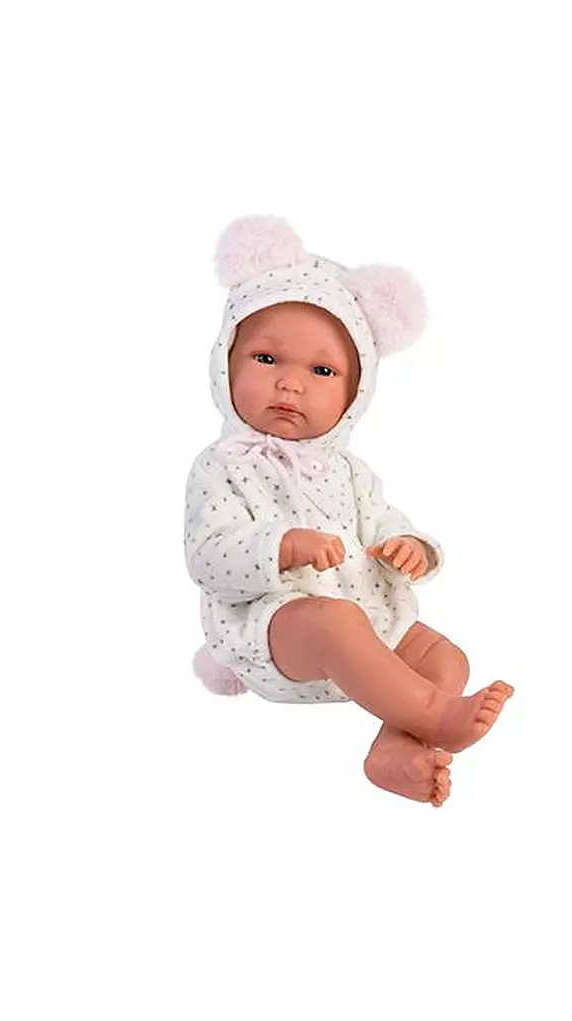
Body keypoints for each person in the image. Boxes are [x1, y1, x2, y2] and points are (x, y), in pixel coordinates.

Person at [184, 215, 514, 807]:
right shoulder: (221, 466)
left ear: (355, 392)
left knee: (445, 656)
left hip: (371, 634)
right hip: (275, 633)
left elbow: (382, 519)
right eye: (266, 359)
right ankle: (435, 715)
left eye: (321, 371)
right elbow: (208, 556)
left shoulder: (351, 472)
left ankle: (394, 749)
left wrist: (410, 547)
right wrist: (280, 545)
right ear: (225, 361)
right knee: (332, 621)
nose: (291, 385)